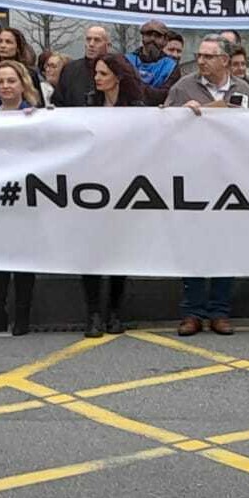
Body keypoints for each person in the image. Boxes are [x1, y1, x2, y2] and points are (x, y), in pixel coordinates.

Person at [165, 36, 249, 337]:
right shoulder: (183, 87)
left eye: (208, 56)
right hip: (193, 178)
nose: (201, 61)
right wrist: (180, 114)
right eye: (199, 55)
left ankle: (219, 311)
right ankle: (192, 312)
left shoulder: (243, 90)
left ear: (225, 61)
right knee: (193, 246)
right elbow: (162, 126)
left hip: (230, 179)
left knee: (225, 246)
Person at [0, 60, 41, 336]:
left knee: (23, 257)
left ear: (22, 83)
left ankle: (22, 315)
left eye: (11, 81)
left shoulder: (36, 116)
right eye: (0, 81)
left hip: (25, 194)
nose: (5, 86)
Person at [79, 55, 144, 336]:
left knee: (119, 253)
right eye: (96, 73)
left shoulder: (137, 108)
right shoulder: (89, 104)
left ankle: (115, 312)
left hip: (125, 186)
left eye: (103, 73)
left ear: (117, 77)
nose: (97, 78)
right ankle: (93, 314)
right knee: (91, 253)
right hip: (93, 186)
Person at [55, 26, 130, 107]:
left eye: (97, 40)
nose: (91, 44)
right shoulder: (70, 70)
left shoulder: (118, 68)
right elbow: (58, 102)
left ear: (108, 45)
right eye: (88, 39)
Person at [130, 28, 184, 106]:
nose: (175, 55)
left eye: (179, 51)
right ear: (160, 48)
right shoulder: (131, 64)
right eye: (171, 50)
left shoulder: (184, 79)